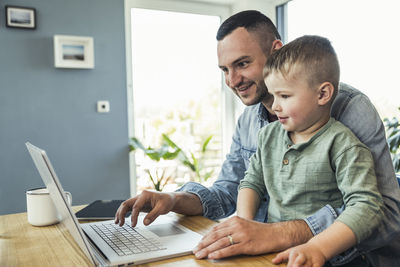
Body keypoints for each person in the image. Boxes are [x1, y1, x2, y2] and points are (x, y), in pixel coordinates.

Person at [115, 10, 400, 266]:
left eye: (242, 64)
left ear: (276, 50)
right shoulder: (253, 121)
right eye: (225, 70)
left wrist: (282, 234)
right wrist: (174, 199)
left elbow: (386, 214)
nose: (232, 81)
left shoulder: (349, 111)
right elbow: (230, 189)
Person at [237, 35, 383, 267]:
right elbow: (252, 182)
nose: (275, 106)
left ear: (322, 94)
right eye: (274, 95)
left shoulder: (343, 144)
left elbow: (367, 208)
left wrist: (318, 248)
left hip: (333, 260)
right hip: (277, 257)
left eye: (284, 96)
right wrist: (242, 224)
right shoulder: (268, 136)